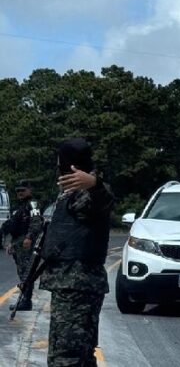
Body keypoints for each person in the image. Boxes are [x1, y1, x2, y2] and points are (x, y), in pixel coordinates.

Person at [39, 138, 115, 367]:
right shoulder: (70, 194)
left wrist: (94, 183)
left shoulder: (87, 192)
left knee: (67, 357)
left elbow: (104, 201)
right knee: (78, 356)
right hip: (70, 285)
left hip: (77, 285)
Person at [2, 179, 44, 311]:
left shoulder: (33, 204)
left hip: (26, 244)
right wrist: (10, 243)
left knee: (27, 272)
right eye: (18, 191)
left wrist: (29, 238)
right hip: (17, 243)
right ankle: (25, 298)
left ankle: (26, 300)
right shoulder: (19, 206)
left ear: (29, 190)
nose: (20, 193)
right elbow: (14, 225)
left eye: (22, 190)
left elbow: (36, 222)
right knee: (22, 272)